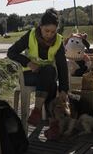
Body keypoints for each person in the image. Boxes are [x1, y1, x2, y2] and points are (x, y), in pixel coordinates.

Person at [7, 8, 69, 140]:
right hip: (30, 76)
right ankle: (53, 125)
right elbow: (11, 52)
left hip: (47, 76)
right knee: (50, 82)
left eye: (53, 32)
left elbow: (62, 67)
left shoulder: (58, 41)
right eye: (47, 31)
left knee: (49, 72)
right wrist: (28, 62)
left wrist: (64, 90)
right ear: (40, 27)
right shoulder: (30, 35)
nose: (50, 34)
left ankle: (37, 110)